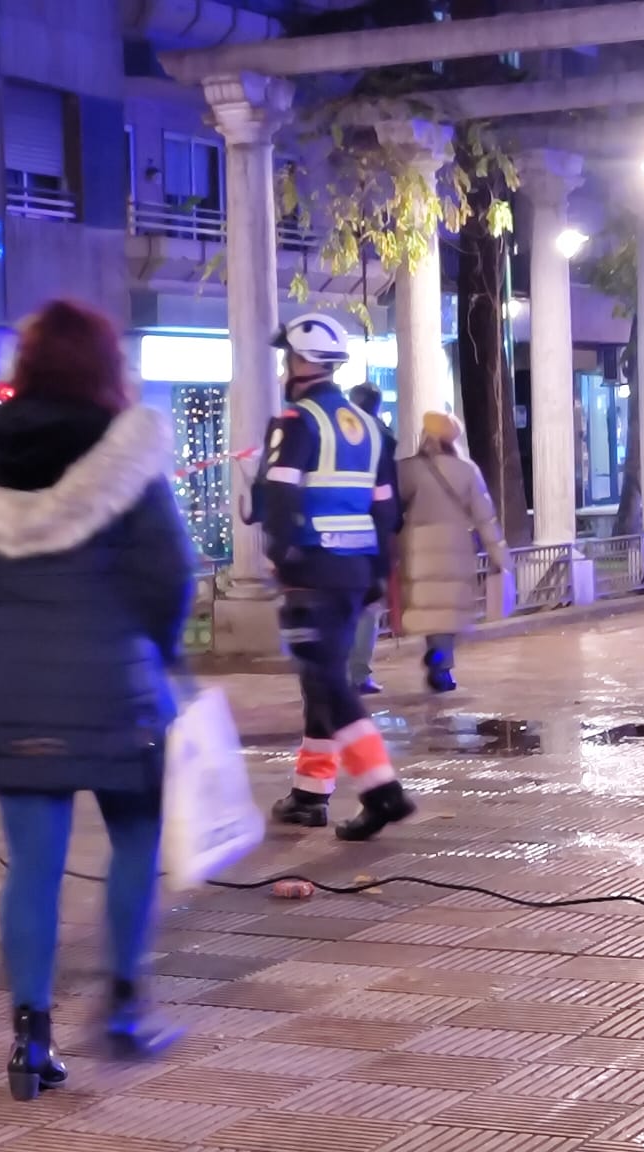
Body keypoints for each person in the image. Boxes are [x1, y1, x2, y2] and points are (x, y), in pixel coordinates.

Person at [0, 299, 196, 1102]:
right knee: (137, 841)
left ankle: (29, 1039)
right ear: (105, 368)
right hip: (119, 689)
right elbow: (166, 575)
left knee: (32, 865)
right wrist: (162, 651)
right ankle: (122, 1001)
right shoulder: (127, 456)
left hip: (11, 692)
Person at [252, 312, 411, 841]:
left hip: (311, 569)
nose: (283, 368)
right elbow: (387, 509)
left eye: (286, 358)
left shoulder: (296, 423)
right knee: (319, 678)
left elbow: (278, 495)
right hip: (355, 570)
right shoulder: (370, 428)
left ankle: (381, 790)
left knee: (327, 681)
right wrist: (377, 571)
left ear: (301, 362)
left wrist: (281, 555)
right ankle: (309, 794)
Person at [397, 412, 508, 693]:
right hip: (456, 548)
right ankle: (441, 665)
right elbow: (485, 517)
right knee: (447, 613)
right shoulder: (467, 470)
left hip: (417, 548)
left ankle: (437, 656)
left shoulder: (409, 469)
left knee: (429, 609)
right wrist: (499, 555)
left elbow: (392, 505)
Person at [344, 383, 397, 696]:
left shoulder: (337, 434)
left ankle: (340, 673)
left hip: (335, 533)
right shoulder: (384, 438)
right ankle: (358, 674)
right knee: (368, 608)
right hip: (371, 534)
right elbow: (388, 493)